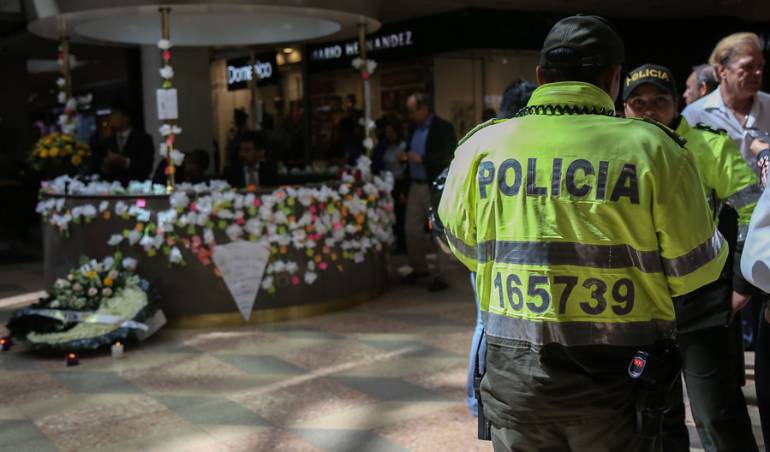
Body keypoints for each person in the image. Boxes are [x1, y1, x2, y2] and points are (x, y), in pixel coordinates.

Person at [439, 15, 727, 451]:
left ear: (540, 76)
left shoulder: (482, 146)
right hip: (622, 382)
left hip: (517, 381)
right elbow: (695, 268)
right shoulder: (654, 148)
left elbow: (465, 247)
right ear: (614, 79)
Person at [623, 63, 759, 452]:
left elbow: (753, 210)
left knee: (717, 413)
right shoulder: (613, 150)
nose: (649, 111)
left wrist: (741, 282)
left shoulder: (707, 145)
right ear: (625, 108)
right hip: (641, 304)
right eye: (638, 103)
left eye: (659, 101)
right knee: (655, 414)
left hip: (701, 300)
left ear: (676, 104)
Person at [400, 92, 457, 292]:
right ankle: (419, 267)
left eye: (413, 110)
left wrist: (422, 159)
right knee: (411, 229)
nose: (411, 115)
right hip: (416, 185)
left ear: (424, 108)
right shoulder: (413, 129)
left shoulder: (443, 127)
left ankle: (442, 275)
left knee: (438, 232)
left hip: (433, 185)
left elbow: (449, 155)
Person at [372, 119, 408, 253]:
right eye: (387, 132)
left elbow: (406, 168)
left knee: (400, 215)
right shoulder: (384, 146)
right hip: (387, 183)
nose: (389, 135)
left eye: (391, 132)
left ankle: (402, 244)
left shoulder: (403, 146)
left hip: (399, 183)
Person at [95, 103, 154, 183]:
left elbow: (147, 167)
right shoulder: (107, 141)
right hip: (112, 188)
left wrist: (125, 161)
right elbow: (99, 170)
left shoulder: (143, 139)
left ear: (126, 118)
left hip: (137, 187)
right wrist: (105, 164)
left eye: (114, 114)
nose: (110, 117)